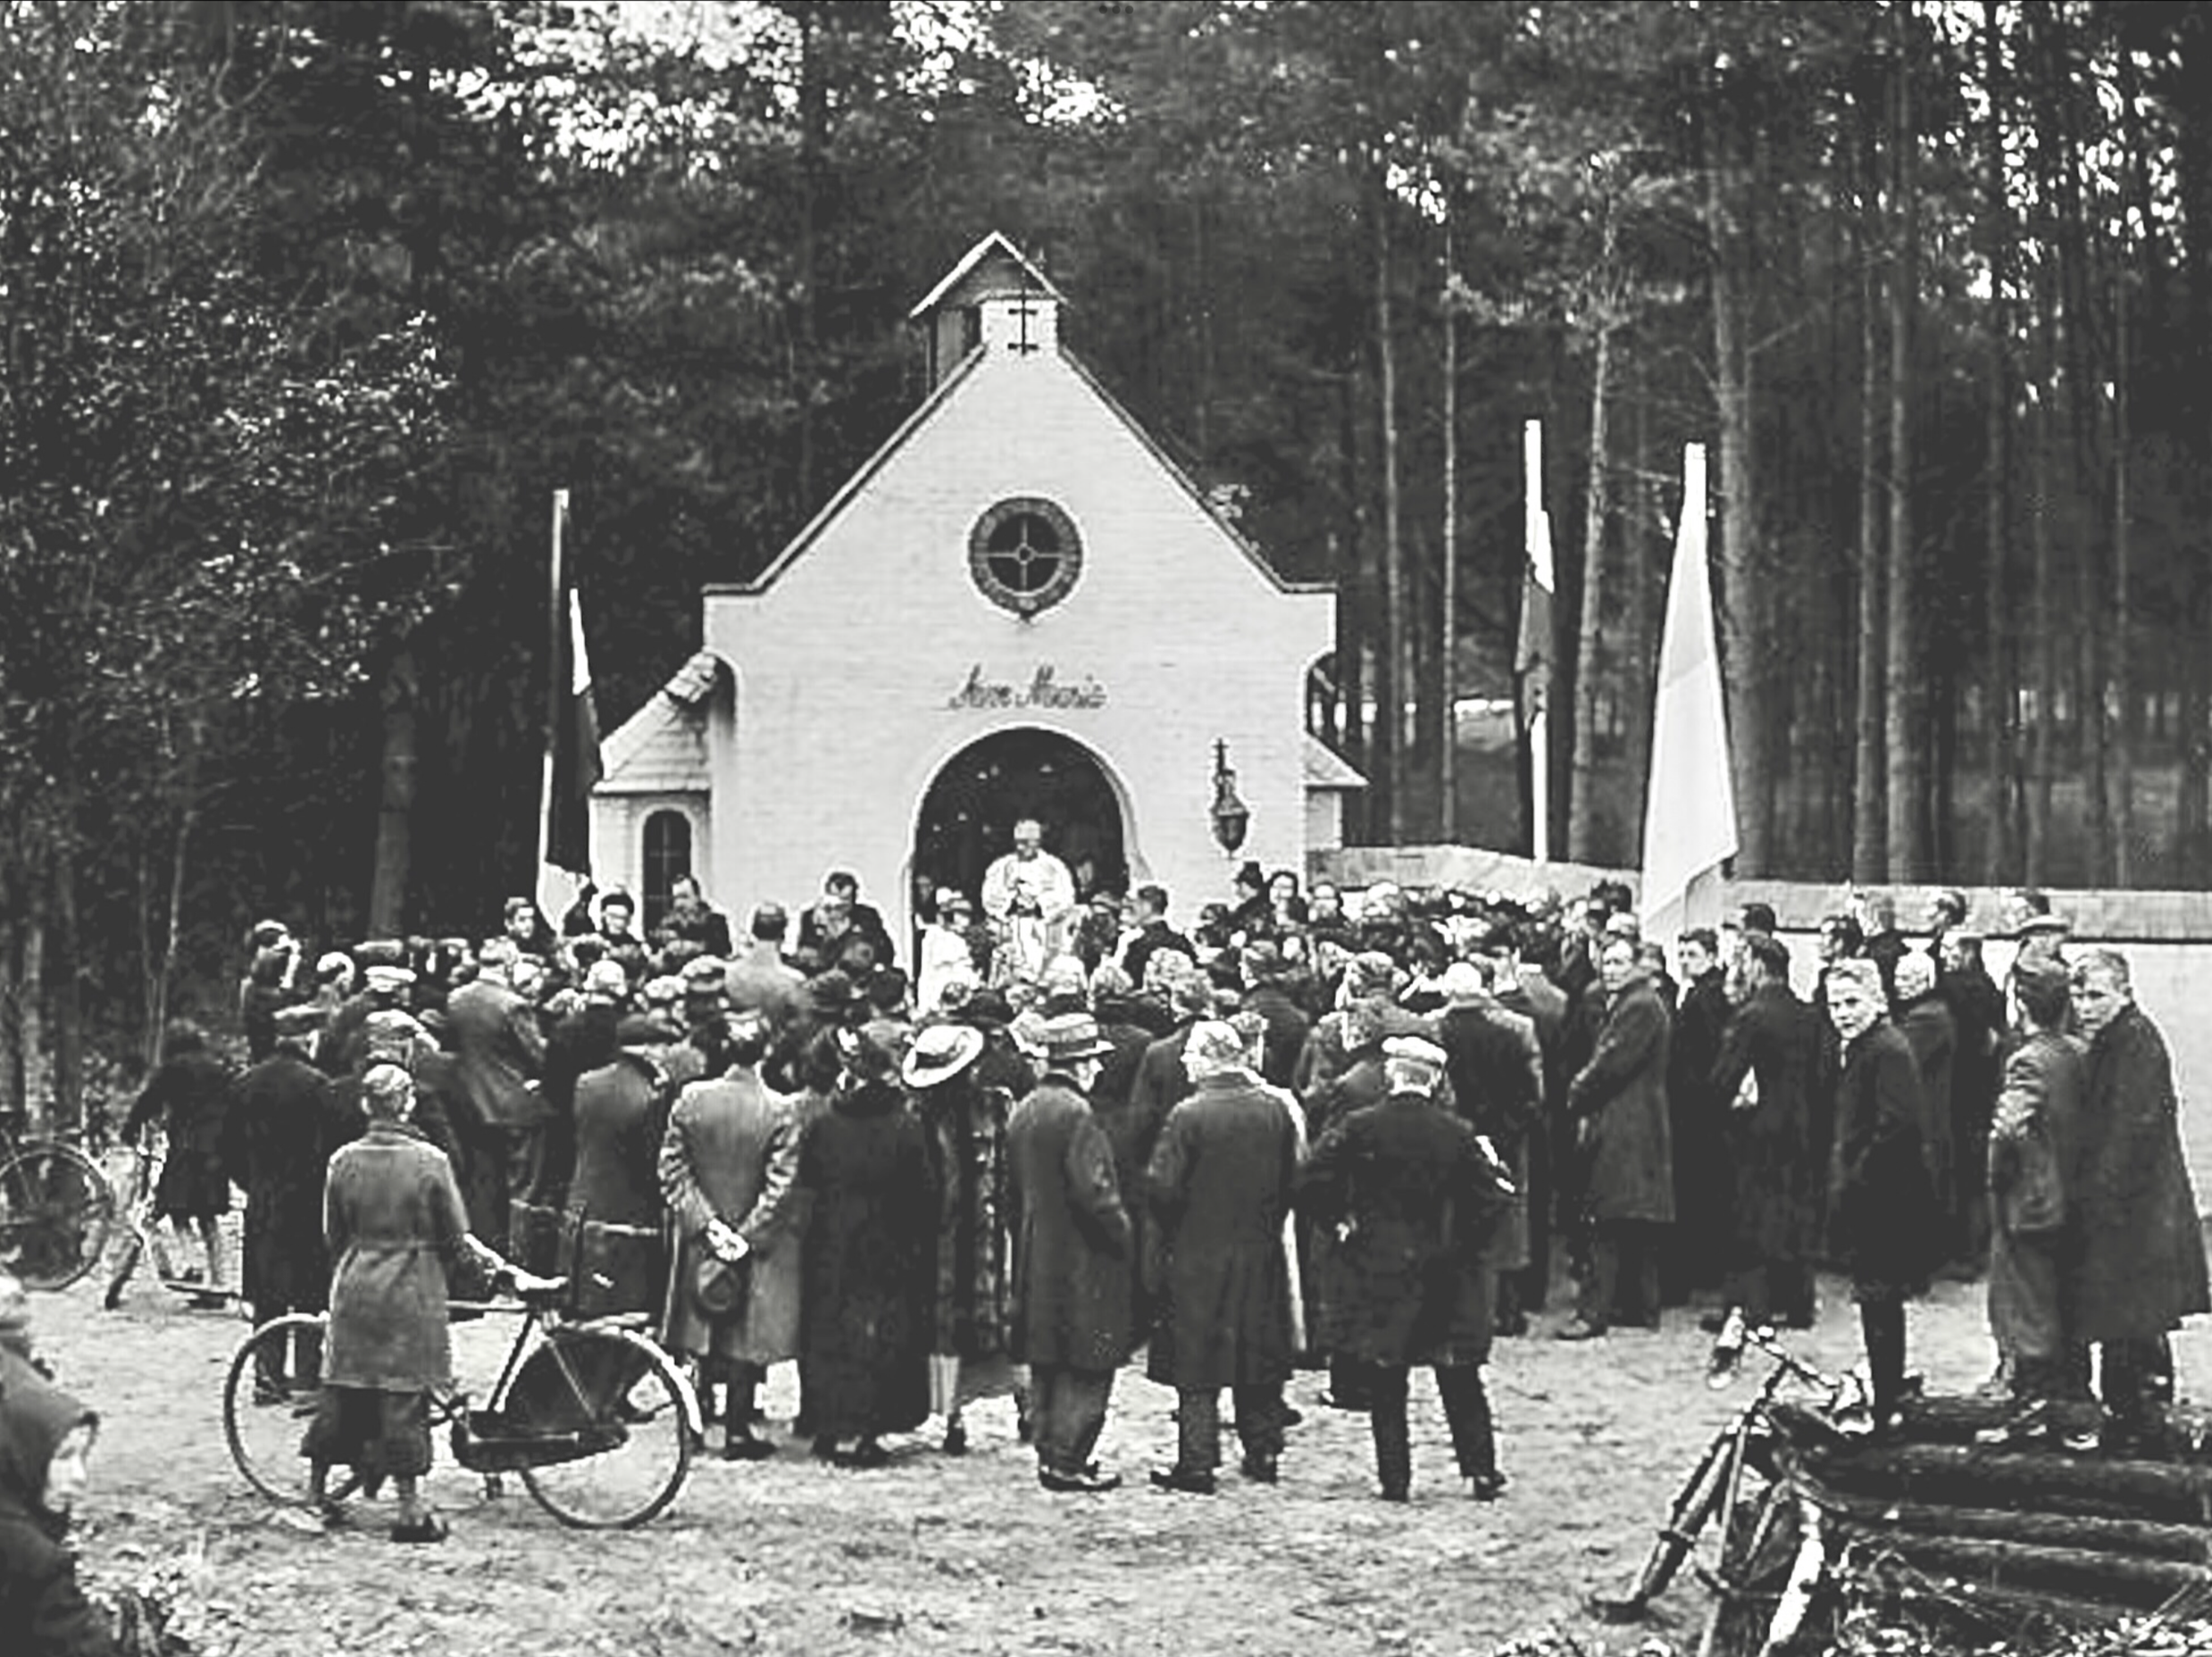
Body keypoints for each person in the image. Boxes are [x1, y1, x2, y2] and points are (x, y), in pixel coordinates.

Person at [308, 1063, 546, 1542]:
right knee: (404, 1397)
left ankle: (317, 1492)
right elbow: (456, 1238)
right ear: (408, 1103)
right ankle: (409, 1509)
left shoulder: (343, 1162)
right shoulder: (430, 1162)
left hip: (355, 1283)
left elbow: (333, 1233)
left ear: (365, 1105)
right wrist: (493, 1274)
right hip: (411, 1288)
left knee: (344, 1388)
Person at [1298, 1036, 1517, 1502]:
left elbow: (1312, 1179)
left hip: (1379, 1267)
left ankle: (1394, 1479)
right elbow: (1495, 1198)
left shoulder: (1360, 1127)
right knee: (1458, 1378)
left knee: (1386, 1377)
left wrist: (1340, 1222)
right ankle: (1481, 1470)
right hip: (1445, 1270)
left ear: (1390, 1075)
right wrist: (1467, 1245)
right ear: (1434, 1080)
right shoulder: (1458, 1133)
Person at [1145, 1020, 1301, 1494]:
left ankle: (1197, 1462)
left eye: (1191, 1053)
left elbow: (1163, 1188)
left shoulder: (1188, 1116)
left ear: (1212, 1057)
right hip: (1260, 1247)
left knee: (1197, 1362)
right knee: (1259, 1355)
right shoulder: (1275, 1110)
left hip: (1198, 1252)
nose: (1185, 1061)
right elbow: (1294, 1178)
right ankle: (1264, 1450)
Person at [2066, 949, 2211, 1453]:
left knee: (2127, 1318)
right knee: (2135, 1319)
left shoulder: (2136, 1043)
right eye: (2078, 996)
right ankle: (2141, 1417)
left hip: (2136, 1210)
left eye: (2096, 995)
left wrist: (2095, 1201)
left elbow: (2128, 1134)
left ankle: (2137, 1425)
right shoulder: (2114, 1040)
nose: (2084, 1006)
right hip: (2132, 1207)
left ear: (2124, 993)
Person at [660, 1014, 804, 1460]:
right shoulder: (780, 1109)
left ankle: (694, 1419)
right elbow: (782, 1183)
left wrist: (707, 1224)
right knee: (743, 1333)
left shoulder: (691, 1099)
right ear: (765, 1053)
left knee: (696, 1327)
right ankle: (738, 1429)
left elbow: (671, 1170)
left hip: (701, 1235)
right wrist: (745, 1235)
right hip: (751, 1241)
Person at [797, 1027, 936, 1468]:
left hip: (831, 1246)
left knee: (830, 1336)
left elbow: (807, 1186)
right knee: (880, 1340)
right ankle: (868, 1430)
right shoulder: (906, 1128)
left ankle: (828, 1424)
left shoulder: (825, 1126)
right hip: (888, 1250)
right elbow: (927, 1195)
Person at [1004, 1012, 1131, 1493]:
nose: (1097, 1070)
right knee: (1086, 1363)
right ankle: (1069, 1459)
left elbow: (1011, 1188)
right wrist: (1124, 1236)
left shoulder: (1028, 1108)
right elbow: (1095, 1193)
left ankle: (1050, 1454)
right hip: (1083, 1259)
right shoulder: (1078, 1115)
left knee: (1047, 1359)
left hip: (1038, 1252)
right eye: (1093, 1061)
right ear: (1079, 1065)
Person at [1824, 958, 1944, 1435]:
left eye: (1852, 1003)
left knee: (1880, 1301)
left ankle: (1888, 1401)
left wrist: (1857, 1175)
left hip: (1886, 1199)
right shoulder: (1862, 1047)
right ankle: (1885, 1391)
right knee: (1876, 1303)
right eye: (1835, 1004)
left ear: (1877, 1001)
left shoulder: (1886, 1049)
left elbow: (1898, 1126)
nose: (1843, 1013)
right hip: (1873, 1194)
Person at [221, 1003, 359, 1401]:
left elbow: (228, 1147)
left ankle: (266, 1377)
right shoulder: (318, 1086)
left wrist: (252, 1184)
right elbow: (329, 1147)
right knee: (310, 1292)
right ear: (307, 1038)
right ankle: (306, 1377)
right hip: (308, 1202)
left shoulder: (245, 1083)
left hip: (264, 1203)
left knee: (267, 1294)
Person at [1703, 935, 1823, 1377]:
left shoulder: (1752, 1016)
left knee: (1751, 1217)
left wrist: (1717, 1107)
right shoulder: (1805, 1012)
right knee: (1794, 1211)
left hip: (1757, 1129)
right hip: (1799, 1123)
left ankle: (1749, 1305)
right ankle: (1798, 1302)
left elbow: (1724, 1075)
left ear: (1755, 964)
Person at [1976, 957, 2084, 1447]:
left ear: (2021, 1004)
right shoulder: (2080, 1053)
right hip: (2070, 1196)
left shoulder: (2028, 1060)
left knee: (2023, 1304)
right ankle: (2069, 1407)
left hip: (2031, 1202)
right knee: (2059, 1300)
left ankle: (2032, 1410)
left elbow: (2008, 1128)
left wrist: (1999, 1178)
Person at [905, 1021, 1014, 1458]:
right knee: (1001, 1322)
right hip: (990, 1233)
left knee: (947, 1329)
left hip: (942, 1242)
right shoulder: (998, 1107)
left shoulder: (918, 1120)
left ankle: (955, 1417)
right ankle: (1020, 1410)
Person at [1558, 939, 1674, 1339]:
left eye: (1620, 962)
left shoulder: (1637, 1006)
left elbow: (1610, 1062)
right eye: (1606, 962)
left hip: (1625, 1124)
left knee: (1605, 1219)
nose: (1611, 969)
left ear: (1637, 965)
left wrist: (1576, 1091)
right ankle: (1641, 1307)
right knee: (1633, 1221)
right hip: (1637, 1122)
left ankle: (1595, 1312)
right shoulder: (1640, 1002)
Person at [0, 1345, 119, 1655]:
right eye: (63, 1457)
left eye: (82, 1455)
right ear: (26, 1454)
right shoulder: (36, 1563)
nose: (79, 1476)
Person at [443, 943, 547, 1260]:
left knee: (482, 1187)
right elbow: (538, 1055)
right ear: (509, 964)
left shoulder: (457, 999)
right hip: (514, 1105)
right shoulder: (513, 1005)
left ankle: (482, 1258)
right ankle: (518, 1259)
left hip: (470, 1104)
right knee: (522, 1188)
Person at [121, 1017, 235, 1302]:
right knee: (209, 1217)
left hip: (186, 1147)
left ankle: (192, 1263)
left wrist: (130, 1128)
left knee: (177, 1209)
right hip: (218, 1149)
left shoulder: (173, 1069)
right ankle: (220, 1282)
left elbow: (149, 1099)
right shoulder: (218, 1069)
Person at [1666, 929, 1732, 1302]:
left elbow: (1703, 1053)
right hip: (1702, 1110)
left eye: (1691, 954)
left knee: (1697, 1192)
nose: (1685, 962)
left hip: (1695, 1111)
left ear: (1709, 955)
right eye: (1682, 954)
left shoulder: (1703, 998)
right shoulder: (1705, 993)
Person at [981, 820, 1077, 986]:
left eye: (1025, 843)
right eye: (1017, 842)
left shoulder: (1054, 867)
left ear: (1038, 842)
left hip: (1043, 932)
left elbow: (1066, 899)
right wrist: (1011, 900)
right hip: (1011, 927)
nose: (1020, 847)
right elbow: (989, 899)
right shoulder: (1002, 866)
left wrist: (1039, 904)